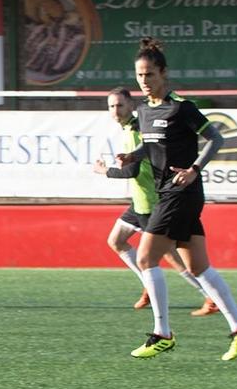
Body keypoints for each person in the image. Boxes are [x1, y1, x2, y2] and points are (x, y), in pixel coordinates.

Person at [109, 39, 237, 361]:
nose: (144, 81)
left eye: (149, 74)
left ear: (163, 73)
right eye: (139, 75)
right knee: (198, 266)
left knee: (146, 258)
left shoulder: (181, 107)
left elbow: (216, 138)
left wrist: (194, 168)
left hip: (182, 192)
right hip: (167, 192)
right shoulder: (144, 111)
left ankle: (162, 333)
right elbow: (152, 146)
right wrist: (133, 154)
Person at [89, 86, 214, 316]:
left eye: (120, 105)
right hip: (139, 201)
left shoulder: (138, 129)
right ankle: (148, 284)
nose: (116, 110)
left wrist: (105, 171)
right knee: (116, 240)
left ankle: (208, 296)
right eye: (111, 106)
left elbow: (132, 172)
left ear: (131, 106)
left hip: (151, 200)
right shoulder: (129, 128)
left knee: (171, 256)